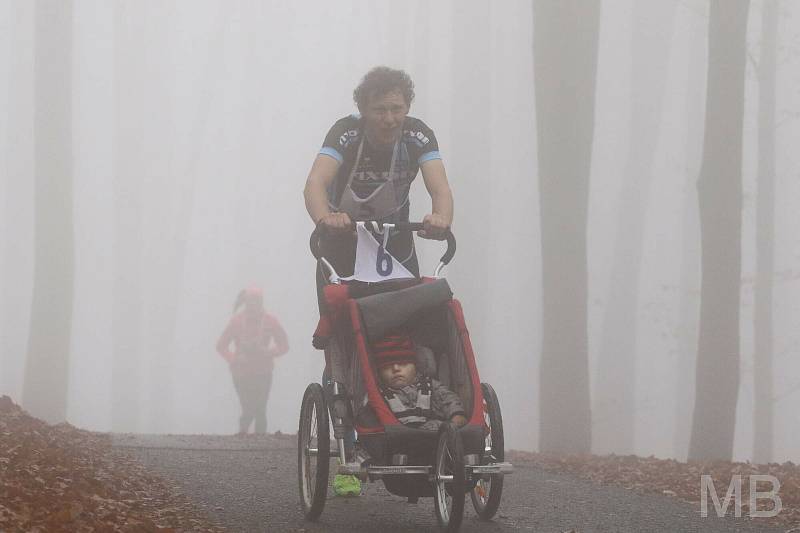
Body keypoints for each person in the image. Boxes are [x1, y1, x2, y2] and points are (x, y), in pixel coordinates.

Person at [303, 66, 454, 287]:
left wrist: (441, 218)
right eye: (379, 110)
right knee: (342, 317)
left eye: (396, 109)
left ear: (407, 107)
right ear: (363, 109)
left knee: (413, 315)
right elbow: (315, 183)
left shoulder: (417, 135)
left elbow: (441, 189)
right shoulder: (346, 132)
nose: (389, 119)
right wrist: (326, 219)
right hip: (342, 242)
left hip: (395, 243)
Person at [216, 287, 289, 435]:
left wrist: (268, 352)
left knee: (260, 408)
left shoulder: (270, 321)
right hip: (241, 372)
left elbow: (284, 345)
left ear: (261, 302)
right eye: (251, 301)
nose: (254, 305)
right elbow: (221, 346)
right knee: (248, 407)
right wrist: (234, 359)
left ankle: (259, 441)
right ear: (246, 302)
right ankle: (243, 435)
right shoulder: (236, 321)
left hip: (263, 372)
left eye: (257, 301)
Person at [371, 332, 467, 431]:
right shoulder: (377, 395)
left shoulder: (432, 385)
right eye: (387, 366)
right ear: (379, 372)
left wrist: (457, 415)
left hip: (435, 436)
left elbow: (449, 399)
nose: (396, 369)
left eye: (403, 363)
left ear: (415, 366)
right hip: (397, 440)